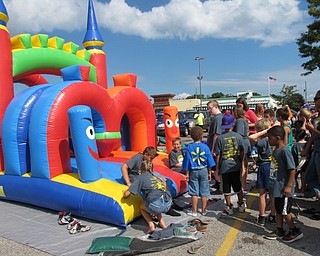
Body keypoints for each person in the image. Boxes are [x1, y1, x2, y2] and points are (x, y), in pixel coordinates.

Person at [263, 126, 303, 243]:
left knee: (285, 211)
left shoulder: (285, 151)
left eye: (270, 138)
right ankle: (279, 230)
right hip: (276, 186)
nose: (268, 141)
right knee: (279, 210)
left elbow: (292, 169)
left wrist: (289, 186)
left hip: (283, 188)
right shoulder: (275, 150)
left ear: (278, 138)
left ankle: (294, 230)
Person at [123, 160, 172, 234]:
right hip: (168, 203)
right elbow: (165, 188)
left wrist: (124, 193)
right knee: (155, 199)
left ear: (140, 169)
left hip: (156, 204)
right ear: (152, 169)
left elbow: (127, 194)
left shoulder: (140, 178)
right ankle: (162, 223)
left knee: (142, 206)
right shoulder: (157, 177)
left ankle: (151, 225)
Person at [214, 114, 246, 215]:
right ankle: (240, 204)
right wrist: (240, 161)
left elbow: (218, 155)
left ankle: (229, 206)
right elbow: (242, 152)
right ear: (233, 125)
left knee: (226, 188)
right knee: (238, 186)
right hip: (236, 165)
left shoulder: (219, 138)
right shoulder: (238, 136)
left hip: (224, 166)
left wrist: (217, 167)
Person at [182, 126, 215, 217]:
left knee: (194, 191)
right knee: (204, 191)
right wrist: (209, 172)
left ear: (192, 136)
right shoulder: (205, 147)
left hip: (193, 171)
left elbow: (187, 162)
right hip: (204, 169)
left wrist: (187, 174)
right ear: (201, 136)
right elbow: (209, 161)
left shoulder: (189, 148)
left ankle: (194, 211)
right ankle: (204, 210)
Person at [249, 118, 274, 226]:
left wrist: (264, 132)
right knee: (273, 194)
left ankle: (262, 216)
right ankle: (273, 215)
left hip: (264, 166)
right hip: (273, 166)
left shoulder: (262, 141)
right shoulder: (274, 140)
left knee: (262, 193)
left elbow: (251, 137)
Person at [304, 90, 320, 200]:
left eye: (316, 99)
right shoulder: (317, 116)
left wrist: (312, 129)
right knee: (309, 178)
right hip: (316, 150)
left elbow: (315, 132)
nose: (315, 102)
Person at [233, 106, 251, 191]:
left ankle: (243, 185)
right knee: (245, 163)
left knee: (243, 164)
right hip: (246, 142)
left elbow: (239, 134)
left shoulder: (239, 121)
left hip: (242, 143)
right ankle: (245, 182)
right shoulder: (244, 120)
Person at [206, 100, 223, 189]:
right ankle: (217, 183)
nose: (209, 111)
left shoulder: (217, 119)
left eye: (210, 108)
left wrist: (213, 149)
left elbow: (217, 134)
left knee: (216, 167)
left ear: (216, 107)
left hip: (215, 147)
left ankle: (219, 184)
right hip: (214, 146)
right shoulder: (217, 118)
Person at [292, 128, 308, 197]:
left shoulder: (295, 145)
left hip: (297, 163)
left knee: (294, 176)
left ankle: (297, 189)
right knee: (303, 176)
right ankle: (303, 190)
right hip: (305, 162)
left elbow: (293, 155)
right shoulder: (307, 144)